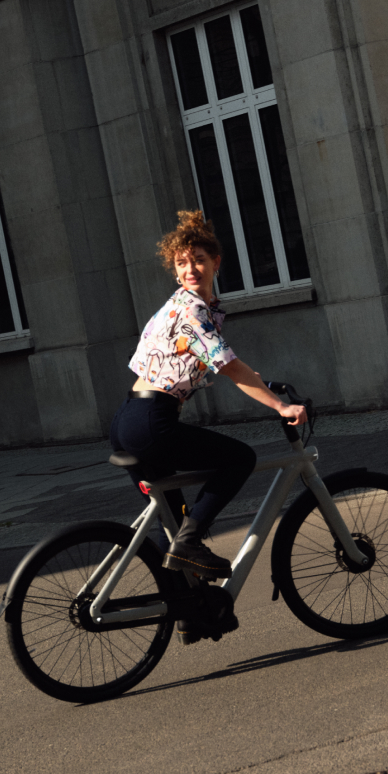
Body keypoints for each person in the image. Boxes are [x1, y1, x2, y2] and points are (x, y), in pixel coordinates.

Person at [110, 210, 307, 582]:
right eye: (182, 263)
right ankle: (189, 545)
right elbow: (230, 368)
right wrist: (280, 405)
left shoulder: (175, 306)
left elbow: (191, 360)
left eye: (198, 260)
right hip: (151, 423)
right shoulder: (192, 310)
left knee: (178, 525)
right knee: (238, 459)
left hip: (128, 420)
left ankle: (188, 608)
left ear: (215, 262)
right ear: (175, 269)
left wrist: (256, 382)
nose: (191, 269)